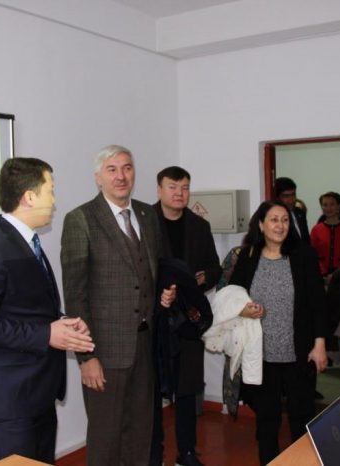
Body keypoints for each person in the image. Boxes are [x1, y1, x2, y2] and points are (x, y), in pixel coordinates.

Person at [0, 158, 95, 465]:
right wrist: (47, 334)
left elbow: (25, 308)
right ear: (29, 197)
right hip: (9, 402)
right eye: (51, 190)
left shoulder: (26, 242)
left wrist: (63, 324)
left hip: (37, 394)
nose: (54, 200)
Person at [60, 145, 176, 466]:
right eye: (112, 169)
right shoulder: (81, 219)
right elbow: (75, 295)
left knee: (141, 433)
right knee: (106, 437)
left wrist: (164, 294)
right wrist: (87, 357)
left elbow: (152, 271)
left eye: (127, 168)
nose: (121, 176)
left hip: (144, 345)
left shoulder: (147, 215)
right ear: (98, 177)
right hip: (105, 351)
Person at [227, 200, 328, 465]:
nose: (280, 226)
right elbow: (233, 297)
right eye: (274, 220)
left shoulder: (303, 255)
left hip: (299, 352)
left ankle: (302, 462)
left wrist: (319, 344)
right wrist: (244, 310)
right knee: (267, 419)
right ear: (261, 225)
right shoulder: (248, 256)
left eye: (285, 220)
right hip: (260, 355)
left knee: (302, 416)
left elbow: (318, 302)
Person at [151, 166, 222, 466]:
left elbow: (215, 267)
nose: (180, 193)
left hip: (189, 319)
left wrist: (205, 277)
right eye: (173, 187)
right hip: (155, 319)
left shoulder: (199, 225)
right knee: (151, 391)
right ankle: (154, 453)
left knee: (187, 389)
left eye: (185, 188)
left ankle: (187, 452)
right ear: (159, 190)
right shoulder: (145, 221)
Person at [310, 192, 340, 277]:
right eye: (325, 205)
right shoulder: (316, 229)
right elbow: (312, 254)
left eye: (332, 204)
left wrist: (338, 273)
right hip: (321, 275)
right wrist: (324, 273)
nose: (328, 208)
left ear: (339, 206)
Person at [274, 177, 310, 245]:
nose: (291, 199)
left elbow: (306, 241)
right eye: (286, 196)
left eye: (293, 194)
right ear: (277, 197)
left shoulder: (300, 213)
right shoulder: (273, 218)